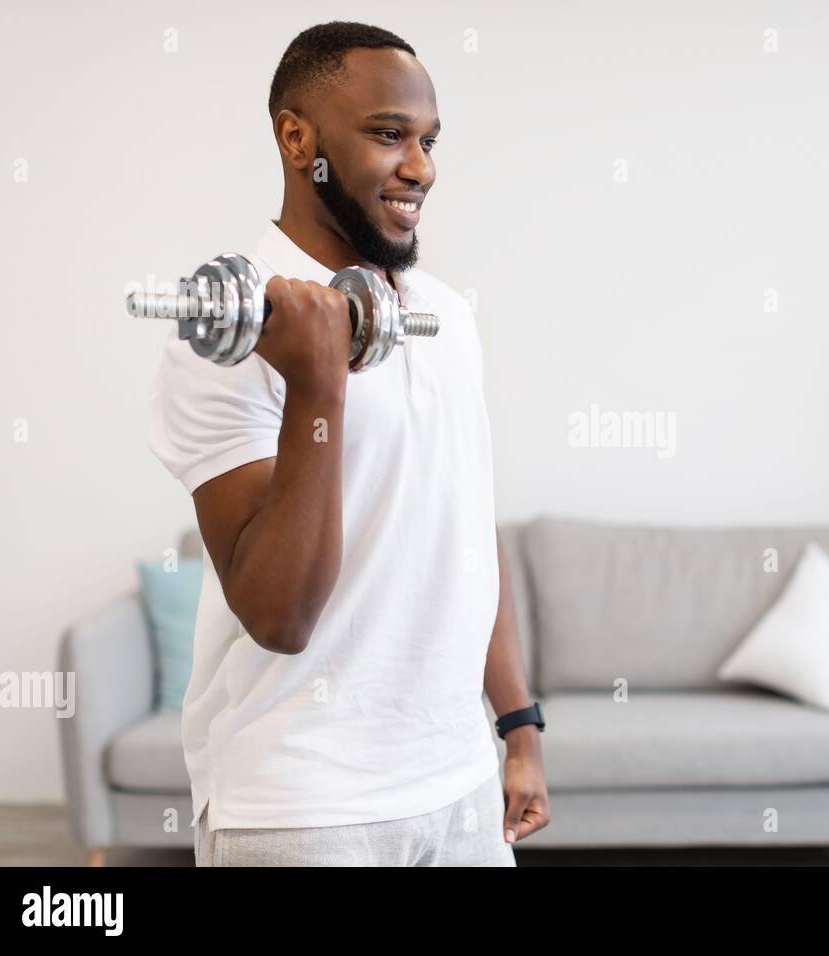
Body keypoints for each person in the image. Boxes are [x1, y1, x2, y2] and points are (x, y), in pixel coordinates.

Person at [147, 20, 549, 866]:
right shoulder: (227, 336)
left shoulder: (448, 314)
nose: (421, 167)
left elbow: (468, 529)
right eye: (388, 135)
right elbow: (279, 613)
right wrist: (318, 380)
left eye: (429, 140)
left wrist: (517, 727)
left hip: (458, 787)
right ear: (299, 139)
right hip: (303, 803)